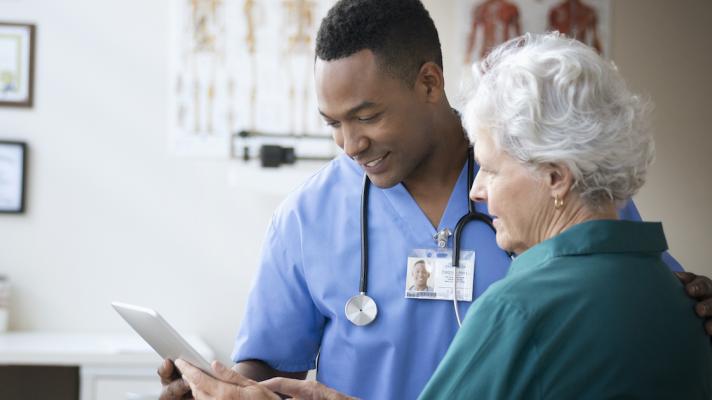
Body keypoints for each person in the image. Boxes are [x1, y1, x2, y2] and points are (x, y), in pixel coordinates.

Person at [160, 1, 712, 399]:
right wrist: (221, 389)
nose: (351, 145)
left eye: (368, 116)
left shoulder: (547, 178)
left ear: (429, 83)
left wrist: (700, 305)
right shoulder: (307, 216)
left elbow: (637, 305)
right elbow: (267, 365)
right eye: (333, 124)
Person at [419, 32, 712, 399]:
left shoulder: (517, 310)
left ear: (555, 177)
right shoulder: (684, 301)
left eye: (490, 169)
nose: (477, 190)